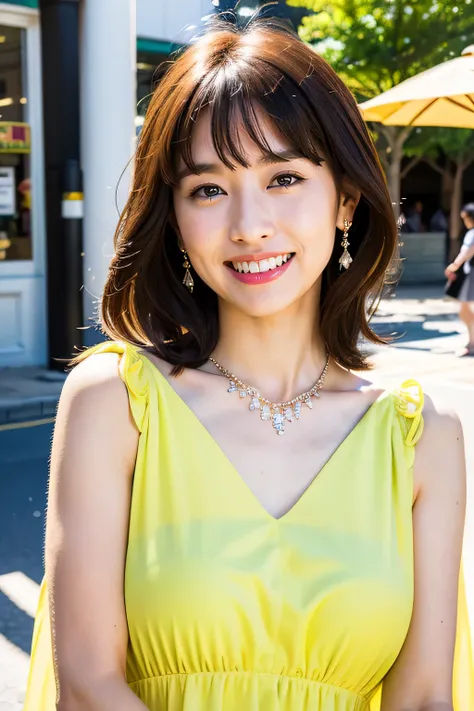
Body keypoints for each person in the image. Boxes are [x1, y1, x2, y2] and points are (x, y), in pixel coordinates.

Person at [24, 17, 472, 711]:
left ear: (346, 199)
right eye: (208, 189)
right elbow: (86, 686)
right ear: (172, 215)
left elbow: (422, 699)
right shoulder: (115, 401)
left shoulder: (421, 436)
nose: (249, 224)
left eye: (285, 177)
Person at [445, 202, 474, 356]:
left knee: (465, 310)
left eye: (465, 218)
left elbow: (468, 250)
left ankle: (471, 344)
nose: (465, 221)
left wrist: (454, 266)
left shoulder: (472, 234)